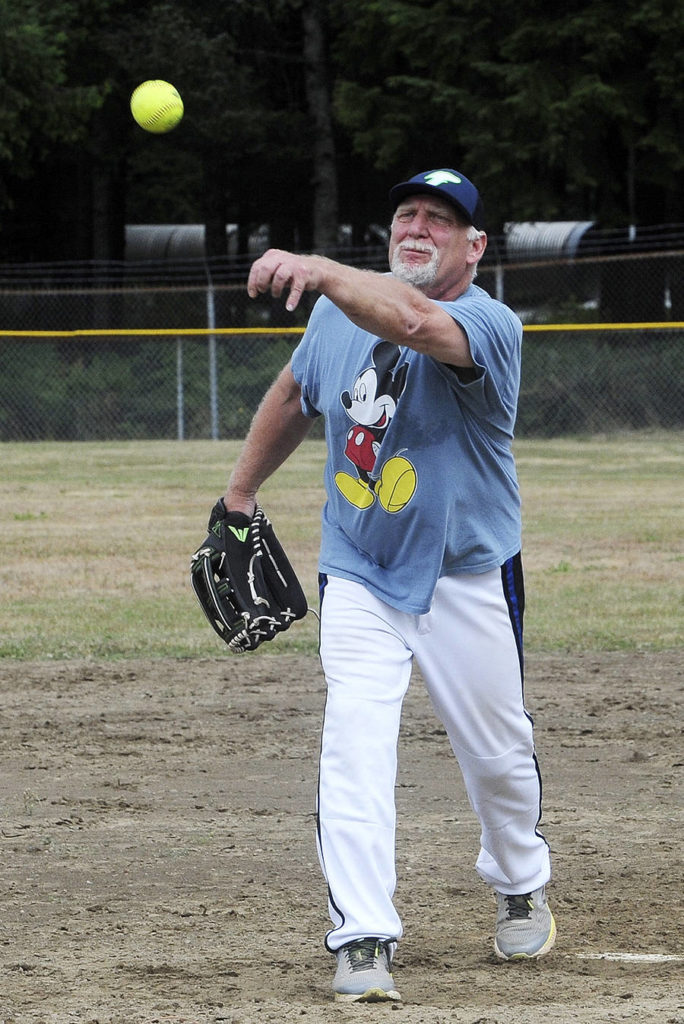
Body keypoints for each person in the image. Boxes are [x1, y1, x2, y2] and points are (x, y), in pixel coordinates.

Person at [221, 168, 556, 1002]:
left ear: (474, 247)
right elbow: (298, 393)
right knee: (355, 747)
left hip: (467, 574)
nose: (418, 225)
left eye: (441, 220)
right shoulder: (337, 314)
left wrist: (321, 267)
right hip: (360, 569)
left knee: (498, 757)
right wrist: (239, 493)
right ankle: (363, 937)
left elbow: (411, 319)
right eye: (407, 212)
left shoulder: (488, 322)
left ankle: (520, 877)